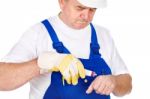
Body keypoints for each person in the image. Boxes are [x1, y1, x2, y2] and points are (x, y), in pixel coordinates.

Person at [0, 0, 132, 99]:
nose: (86, 16)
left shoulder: (103, 35)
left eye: (92, 10)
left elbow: (127, 83)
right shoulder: (39, 33)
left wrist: (114, 82)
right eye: (80, 7)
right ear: (62, 2)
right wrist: (43, 63)